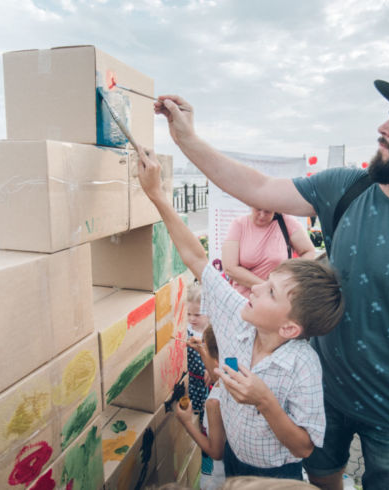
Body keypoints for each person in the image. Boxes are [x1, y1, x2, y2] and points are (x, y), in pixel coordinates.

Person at [153, 72, 389, 490]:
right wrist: (186, 139)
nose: (383, 126)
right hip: (318, 397)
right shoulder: (346, 188)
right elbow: (260, 187)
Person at [136, 146, 344, 480]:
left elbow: (304, 447)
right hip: (231, 458)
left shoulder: (302, 365)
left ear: (290, 328)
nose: (256, 287)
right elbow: (196, 258)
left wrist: (265, 402)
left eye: (271, 291)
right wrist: (157, 194)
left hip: (276, 476)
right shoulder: (237, 318)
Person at [222, 208, 315, 298]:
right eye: (258, 209)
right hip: (243, 300)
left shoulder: (286, 222)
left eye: (268, 211)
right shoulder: (239, 224)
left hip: (274, 302)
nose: (262, 215)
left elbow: (309, 251)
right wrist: (268, 287)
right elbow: (229, 268)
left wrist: (291, 277)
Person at [176, 326, 227, 489]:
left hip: (219, 479)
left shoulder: (214, 403)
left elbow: (215, 452)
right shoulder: (233, 376)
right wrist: (203, 350)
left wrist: (187, 423)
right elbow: (215, 371)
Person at [185, 283, 211, 421]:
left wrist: (212, 367)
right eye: (188, 314)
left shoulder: (212, 333)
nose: (191, 319)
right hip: (192, 383)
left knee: (207, 415)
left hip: (208, 384)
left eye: (197, 315)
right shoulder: (186, 331)